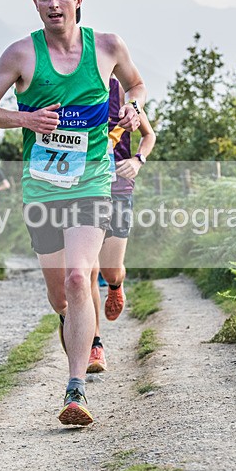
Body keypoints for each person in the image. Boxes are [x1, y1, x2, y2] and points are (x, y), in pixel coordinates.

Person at [0, 0, 146, 426]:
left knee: (78, 278)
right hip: (43, 188)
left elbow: (136, 83)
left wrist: (132, 109)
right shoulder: (20, 55)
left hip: (92, 182)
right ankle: (75, 326)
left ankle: (76, 390)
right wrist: (25, 119)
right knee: (61, 298)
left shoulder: (107, 46)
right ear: (35, 4)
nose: (53, 4)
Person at [87, 77, 156, 373]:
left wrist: (138, 160)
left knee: (108, 270)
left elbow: (148, 135)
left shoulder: (120, 94)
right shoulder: (66, 89)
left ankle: (116, 284)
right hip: (81, 190)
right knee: (86, 271)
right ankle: (95, 346)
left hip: (118, 189)